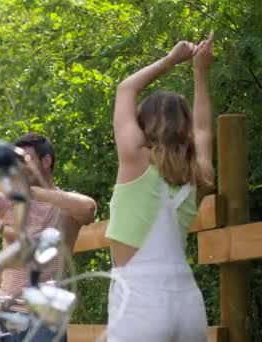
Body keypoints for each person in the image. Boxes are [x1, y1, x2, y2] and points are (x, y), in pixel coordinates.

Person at [105, 33, 215, 342]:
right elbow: (204, 128)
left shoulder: (134, 160)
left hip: (140, 303)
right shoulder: (197, 172)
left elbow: (126, 88)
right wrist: (200, 72)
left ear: (142, 125)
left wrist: (169, 60)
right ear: (185, 126)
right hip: (188, 305)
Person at [0, 133, 96, 342]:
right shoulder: (10, 199)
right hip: (5, 311)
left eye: (25, 159)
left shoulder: (64, 204)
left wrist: (33, 191)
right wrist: (3, 227)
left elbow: (88, 208)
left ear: (46, 161)